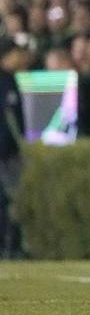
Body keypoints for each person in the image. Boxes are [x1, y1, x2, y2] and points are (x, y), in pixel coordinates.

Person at [0, 39, 25, 258]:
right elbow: (12, 120)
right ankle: (12, 247)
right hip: (6, 154)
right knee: (14, 199)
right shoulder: (7, 81)